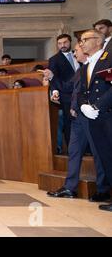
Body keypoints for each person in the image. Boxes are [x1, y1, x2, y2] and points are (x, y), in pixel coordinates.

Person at [47, 41, 110, 202]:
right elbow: (69, 88)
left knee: (98, 153)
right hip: (77, 118)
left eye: (76, 50)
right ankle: (70, 187)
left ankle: (103, 190)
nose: (74, 54)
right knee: (74, 152)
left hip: (91, 116)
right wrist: (54, 81)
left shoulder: (95, 67)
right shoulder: (82, 70)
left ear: (84, 51)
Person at [75, 30, 112, 212]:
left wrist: (97, 106)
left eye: (84, 40)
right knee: (105, 157)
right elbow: (82, 91)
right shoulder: (85, 66)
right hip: (92, 117)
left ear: (98, 40)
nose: (81, 44)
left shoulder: (108, 58)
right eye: (80, 41)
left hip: (106, 114)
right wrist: (83, 106)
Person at [48, 34, 79, 149]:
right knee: (69, 123)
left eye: (65, 42)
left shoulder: (79, 54)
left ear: (70, 42)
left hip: (82, 94)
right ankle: (73, 148)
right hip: (66, 95)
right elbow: (52, 78)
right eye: (60, 43)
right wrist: (55, 92)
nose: (62, 45)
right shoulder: (54, 59)